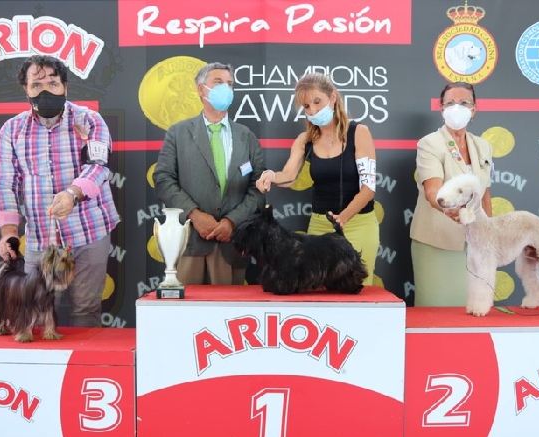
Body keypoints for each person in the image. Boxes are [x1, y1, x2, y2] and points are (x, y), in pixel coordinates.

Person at [0, 54, 120, 327]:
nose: (45, 91)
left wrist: (72, 194)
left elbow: (98, 167)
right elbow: (5, 184)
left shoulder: (90, 120)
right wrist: (8, 232)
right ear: (26, 90)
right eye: (36, 85)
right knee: (35, 315)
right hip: (41, 239)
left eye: (52, 83)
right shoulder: (11, 130)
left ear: (65, 86)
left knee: (87, 311)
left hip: (90, 231)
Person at [256, 72, 379, 285]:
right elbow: (289, 176)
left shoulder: (359, 132)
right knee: (319, 292)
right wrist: (270, 176)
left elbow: (368, 189)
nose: (312, 110)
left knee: (356, 291)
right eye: (306, 106)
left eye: (317, 102)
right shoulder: (304, 140)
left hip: (358, 225)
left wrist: (343, 218)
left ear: (333, 97)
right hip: (319, 230)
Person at [153, 62, 265, 285]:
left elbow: (258, 187)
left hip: (232, 245)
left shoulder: (247, 137)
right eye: (218, 82)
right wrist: (194, 214)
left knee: (228, 307)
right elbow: (163, 179)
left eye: (230, 84)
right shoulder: (178, 133)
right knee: (187, 306)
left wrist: (232, 221)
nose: (226, 88)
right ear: (200, 89)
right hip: (190, 242)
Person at [410, 81, 494, 306]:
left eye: (464, 102)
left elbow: (485, 194)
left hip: (475, 243)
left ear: (474, 110)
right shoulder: (429, 144)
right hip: (437, 241)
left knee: (473, 308)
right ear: (442, 109)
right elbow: (432, 191)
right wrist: (452, 212)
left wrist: (489, 234)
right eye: (450, 103)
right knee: (435, 310)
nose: (457, 108)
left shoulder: (483, 146)